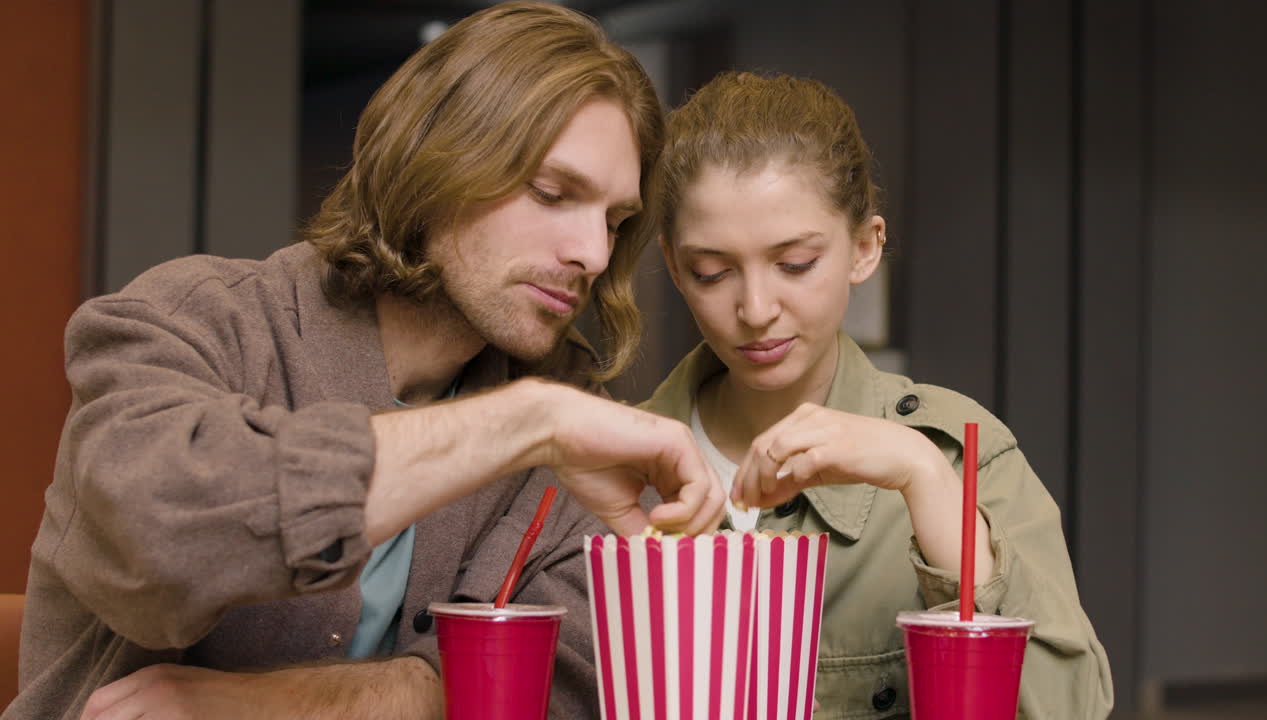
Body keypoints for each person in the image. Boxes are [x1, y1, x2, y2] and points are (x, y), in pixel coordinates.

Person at [5, 4, 726, 719]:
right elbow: (161, 541)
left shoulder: (563, 398)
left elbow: (562, 676)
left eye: (614, 220)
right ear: (436, 159)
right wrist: (525, 423)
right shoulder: (194, 317)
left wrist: (265, 703)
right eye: (551, 193)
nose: (593, 255)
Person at [641, 71, 1114, 718]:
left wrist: (926, 478)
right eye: (712, 272)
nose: (754, 309)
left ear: (865, 247)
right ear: (673, 266)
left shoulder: (960, 454)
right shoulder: (609, 466)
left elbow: (1071, 705)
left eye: (795, 264)